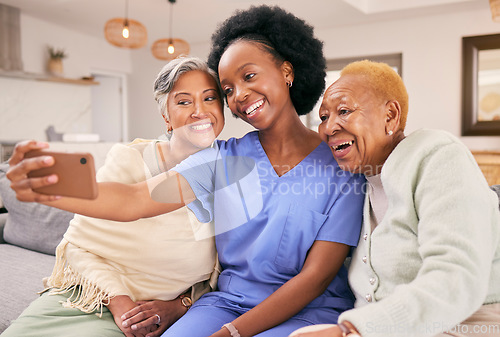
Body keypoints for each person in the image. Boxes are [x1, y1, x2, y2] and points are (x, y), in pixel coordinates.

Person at [6, 5, 366, 337]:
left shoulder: (342, 167)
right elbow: (134, 200)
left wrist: (232, 333)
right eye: (228, 89)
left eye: (250, 75)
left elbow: (315, 278)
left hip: (308, 310)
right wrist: (54, 188)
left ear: (287, 71)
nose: (239, 94)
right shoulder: (222, 160)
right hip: (226, 304)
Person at [1, 56, 225, 337]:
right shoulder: (130, 160)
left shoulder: (230, 169)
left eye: (209, 98)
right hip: (93, 298)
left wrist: (181, 305)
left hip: (165, 315)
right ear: (166, 116)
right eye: (183, 101)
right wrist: (120, 303)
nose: (199, 111)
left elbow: (223, 271)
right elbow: (82, 242)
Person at [289, 60, 500, 337]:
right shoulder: (359, 180)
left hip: (465, 324)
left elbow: (457, 278)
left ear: (390, 116)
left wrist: (353, 330)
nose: (328, 128)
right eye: (324, 117)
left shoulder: (437, 154)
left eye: (343, 111)